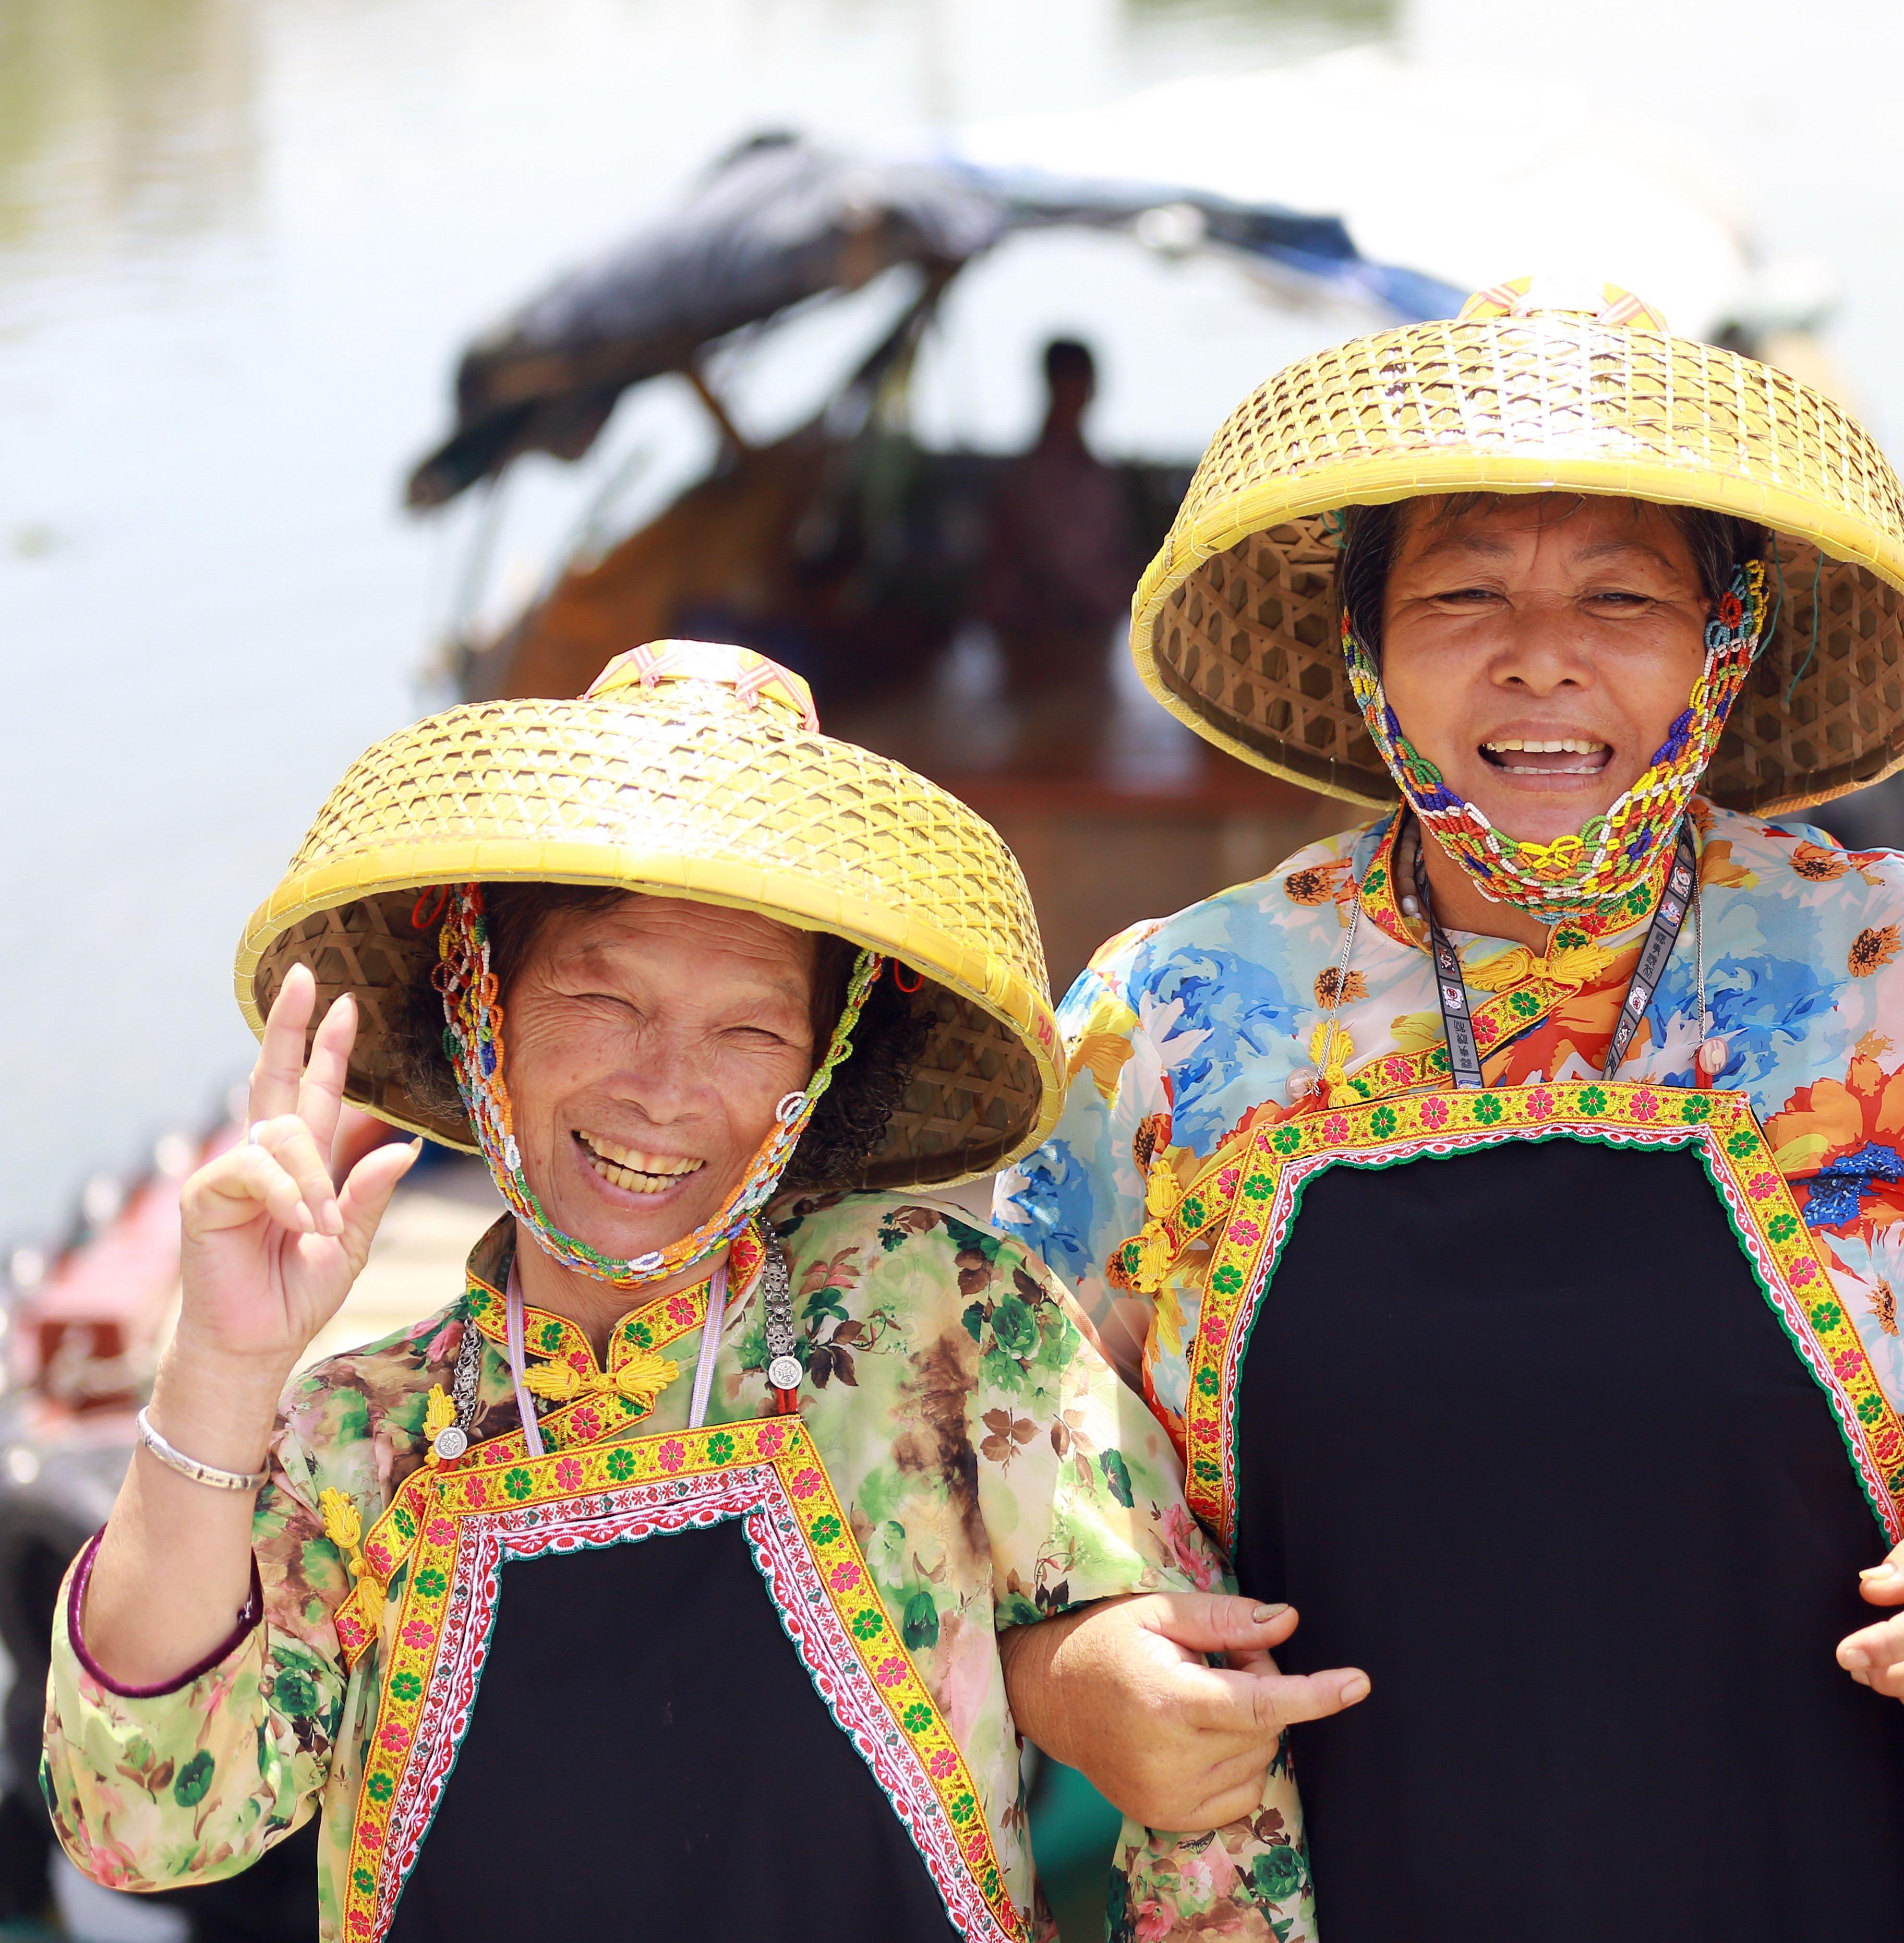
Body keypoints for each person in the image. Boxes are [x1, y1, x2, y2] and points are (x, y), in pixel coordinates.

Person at [990, 275, 1904, 1941]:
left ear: (1724, 639)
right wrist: (1070, 1668)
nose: (1543, 655)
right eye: (1464, 590)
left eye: (1623, 593)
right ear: (1366, 645)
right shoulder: (1168, 1025)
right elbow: (991, 1480)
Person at [42, 642, 1316, 1941]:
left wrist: (1106, 1686)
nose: (662, 1087)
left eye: (748, 1028)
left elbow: (1214, 1781)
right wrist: (219, 1371)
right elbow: (144, 1823)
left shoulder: (937, 1317)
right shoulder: (361, 1437)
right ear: (482, 1003)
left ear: (818, 1069)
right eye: (604, 995)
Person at [976, 336, 1146, 715]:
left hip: (1088, 634)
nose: (1082, 395)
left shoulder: (1098, 474)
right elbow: (1052, 562)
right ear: (1055, 385)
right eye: (1075, 383)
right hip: (1036, 638)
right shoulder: (1030, 476)